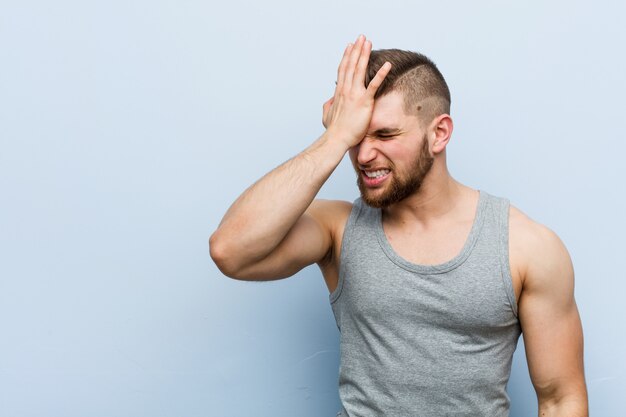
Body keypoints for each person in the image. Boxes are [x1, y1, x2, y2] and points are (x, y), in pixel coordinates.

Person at [209, 34, 588, 417]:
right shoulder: (338, 230)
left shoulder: (524, 245)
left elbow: (561, 399)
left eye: (385, 135)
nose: (365, 155)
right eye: (358, 137)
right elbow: (231, 251)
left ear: (438, 133)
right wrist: (335, 137)